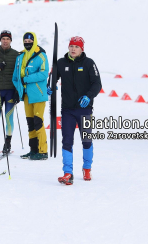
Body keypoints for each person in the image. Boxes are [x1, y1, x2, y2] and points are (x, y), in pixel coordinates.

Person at [54, 36, 102, 185]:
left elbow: (97, 84)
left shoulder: (89, 63)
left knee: (86, 140)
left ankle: (87, 168)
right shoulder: (61, 63)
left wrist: (88, 96)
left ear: (82, 49)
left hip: (84, 109)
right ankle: (68, 172)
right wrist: (50, 87)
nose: (73, 49)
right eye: (71, 46)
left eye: (76, 47)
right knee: (67, 141)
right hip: (67, 109)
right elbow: (53, 78)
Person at [12, 32, 49, 161]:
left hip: (38, 94)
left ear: (34, 41)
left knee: (38, 121)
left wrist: (26, 79)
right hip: (26, 95)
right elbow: (16, 77)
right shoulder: (20, 56)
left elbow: (44, 74)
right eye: (25, 42)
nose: (28, 44)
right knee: (30, 123)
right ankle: (33, 150)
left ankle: (43, 151)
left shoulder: (41, 55)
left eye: (30, 42)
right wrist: (18, 89)